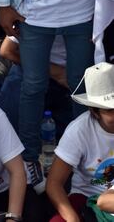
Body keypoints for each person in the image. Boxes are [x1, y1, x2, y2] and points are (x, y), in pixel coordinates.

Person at [0, 0, 95, 192]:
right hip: (33, 11)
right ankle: (29, 159)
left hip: (81, 7)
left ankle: (84, 158)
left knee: (81, 87)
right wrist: (3, 4)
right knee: (33, 86)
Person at [46, 62, 114, 222]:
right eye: (110, 110)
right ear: (94, 111)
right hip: (85, 196)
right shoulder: (79, 130)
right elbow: (54, 183)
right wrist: (72, 219)